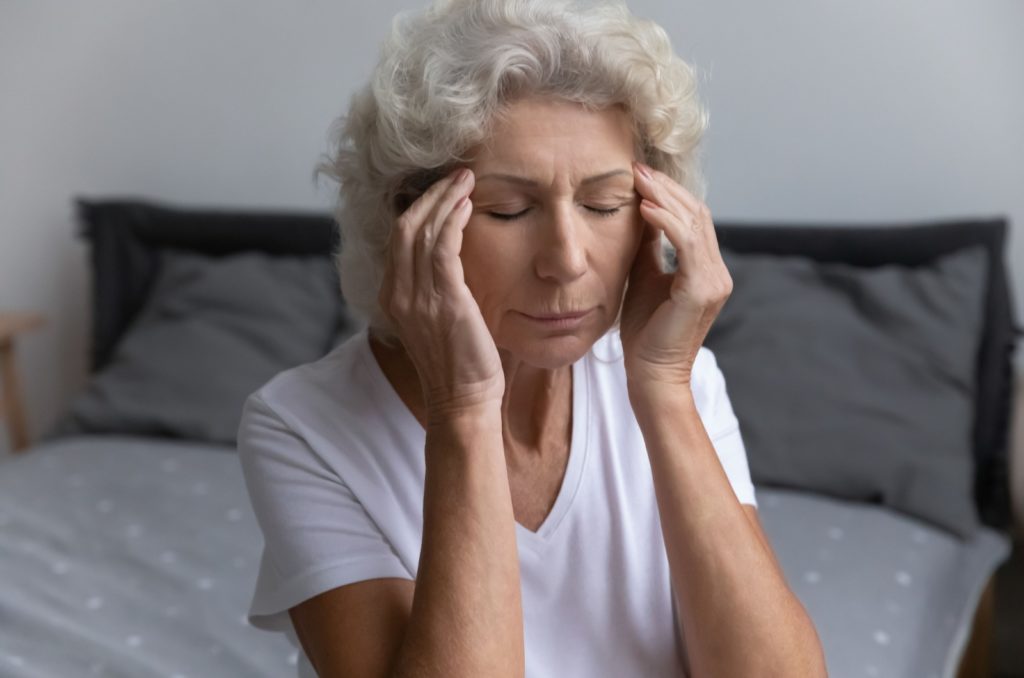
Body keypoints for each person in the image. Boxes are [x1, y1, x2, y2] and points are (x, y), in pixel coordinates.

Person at [236, 0, 827, 676]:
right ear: (411, 226)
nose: (568, 259)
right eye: (508, 210)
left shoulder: (683, 377)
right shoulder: (302, 427)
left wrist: (663, 393)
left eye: (605, 205)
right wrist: (463, 412)